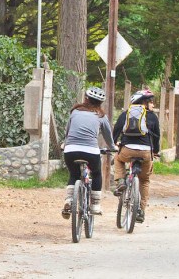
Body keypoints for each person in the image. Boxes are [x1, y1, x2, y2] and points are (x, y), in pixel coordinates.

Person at [61, 86, 117, 218]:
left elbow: (68, 131)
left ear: (86, 98)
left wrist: (65, 143)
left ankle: (69, 200)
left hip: (71, 149)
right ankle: (95, 205)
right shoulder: (101, 116)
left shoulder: (75, 112)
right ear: (100, 103)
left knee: (74, 174)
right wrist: (112, 147)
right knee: (96, 174)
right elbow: (108, 136)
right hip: (91, 151)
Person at [112, 88, 161, 223]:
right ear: (144, 102)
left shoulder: (126, 114)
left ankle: (120, 181)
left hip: (127, 150)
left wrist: (115, 143)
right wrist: (155, 151)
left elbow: (116, 131)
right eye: (150, 101)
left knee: (118, 159)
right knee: (144, 181)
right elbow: (157, 137)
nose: (152, 104)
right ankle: (141, 211)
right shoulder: (152, 117)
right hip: (145, 153)